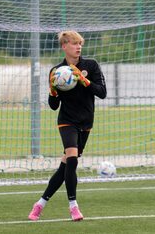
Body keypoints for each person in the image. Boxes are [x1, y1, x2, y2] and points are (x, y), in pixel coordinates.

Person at [28, 31, 107, 221]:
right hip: (67, 121)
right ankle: (73, 206)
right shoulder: (57, 72)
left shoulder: (91, 65)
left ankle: (40, 203)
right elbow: (54, 106)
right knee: (72, 157)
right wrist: (53, 92)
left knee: (65, 168)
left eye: (80, 43)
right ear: (64, 46)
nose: (78, 47)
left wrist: (84, 80)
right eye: (73, 43)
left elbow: (102, 92)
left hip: (86, 122)